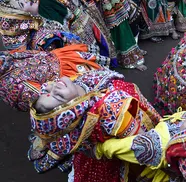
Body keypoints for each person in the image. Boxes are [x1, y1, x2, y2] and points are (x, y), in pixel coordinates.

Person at [28, 69, 161, 180]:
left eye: (47, 91)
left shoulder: (81, 82)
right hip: (123, 148)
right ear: (72, 111)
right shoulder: (110, 111)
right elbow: (142, 142)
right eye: (58, 96)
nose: (54, 87)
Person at [0, 44, 108, 111]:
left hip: (65, 63)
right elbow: (48, 104)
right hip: (68, 77)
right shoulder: (12, 85)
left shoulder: (5, 59)